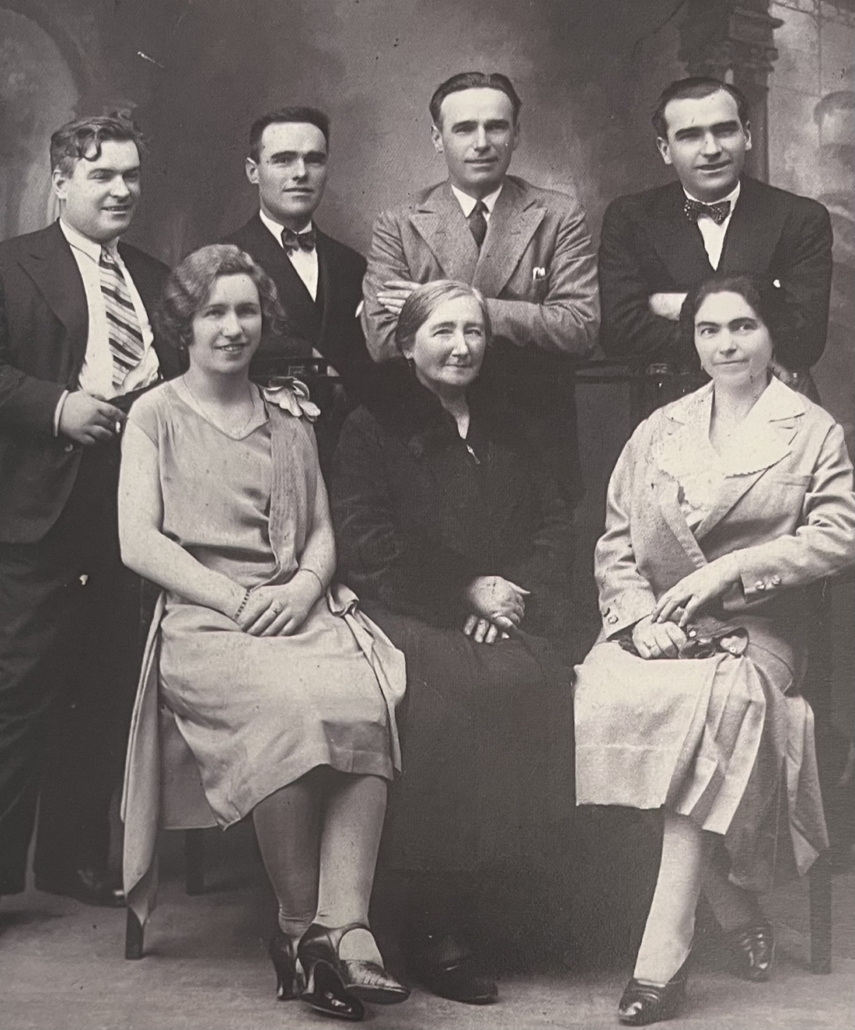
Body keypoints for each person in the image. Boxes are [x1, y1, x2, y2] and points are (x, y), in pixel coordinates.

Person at [118, 244, 409, 1021]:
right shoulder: (154, 415)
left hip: (297, 608)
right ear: (184, 324)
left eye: (246, 311)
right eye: (214, 311)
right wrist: (235, 599)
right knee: (290, 710)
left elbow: (320, 532)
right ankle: (298, 930)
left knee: (361, 697)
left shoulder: (289, 417)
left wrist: (305, 588)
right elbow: (137, 542)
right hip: (206, 621)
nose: (232, 327)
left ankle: (348, 931)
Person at [573, 274, 855, 1025]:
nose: (727, 345)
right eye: (709, 330)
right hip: (656, 628)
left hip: (756, 628)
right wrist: (638, 621)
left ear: (770, 333)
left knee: (708, 708)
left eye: (742, 327)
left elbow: (838, 534)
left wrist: (735, 569)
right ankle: (734, 909)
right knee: (603, 696)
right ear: (693, 342)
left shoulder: (810, 429)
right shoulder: (659, 428)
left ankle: (661, 957)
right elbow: (615, 543)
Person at [332, 280, 574, 1005]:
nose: (462, 347)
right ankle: (432, 923)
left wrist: (511, 593)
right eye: (442, 332)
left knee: (542, 679)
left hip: (504, 608)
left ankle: (510, 906)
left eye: (473, 331)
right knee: (452, 697)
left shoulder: (510, 422)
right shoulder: (371, 425)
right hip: (403, 605)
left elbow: (554, 525)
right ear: (407, 344)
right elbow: (367, 543)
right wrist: (463, 589)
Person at [0, 113, 182, 908]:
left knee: (105, 686)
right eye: (102, 174)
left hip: (130, 508)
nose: (121, 190)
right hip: (37, 509)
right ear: (60, 182)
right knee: (17, 690)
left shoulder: (154, 274)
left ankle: (71, 859)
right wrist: (55, 407)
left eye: (131, 175)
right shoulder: (12, 266)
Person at [361, 71, 599, 505]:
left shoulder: (558, 215)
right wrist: (528, 316)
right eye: (464, 128)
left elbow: (579, 327)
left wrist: (457, 306)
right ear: (437, 138)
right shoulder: (399, 222)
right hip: (430, 438)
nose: (482, 142)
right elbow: (381, 339)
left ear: (516, 135)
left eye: (496, 127)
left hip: (535, 436)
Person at [598, 78, 833, 394]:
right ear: (665, 149)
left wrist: (679, 305)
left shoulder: (801, 217)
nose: (711, 149)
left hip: (774, 401)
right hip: (668, 402)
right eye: (690, 136)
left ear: (746, 136)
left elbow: (804, 340)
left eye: (724, 131)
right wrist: (754, 317)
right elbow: (620, 334)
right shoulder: (629, 217)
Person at [224, 106, 382, 407]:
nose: (301, 173)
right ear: (253, 172)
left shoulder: (352, 264)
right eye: (283, 160)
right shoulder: (222, 260)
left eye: (314, 160)